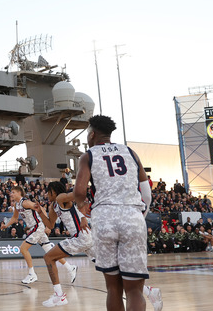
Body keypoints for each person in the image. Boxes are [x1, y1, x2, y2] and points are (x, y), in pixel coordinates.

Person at [73, 115, 156, 311]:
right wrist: (138, 217)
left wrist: (81, 205)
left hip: (104, 218)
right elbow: (147, 194)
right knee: (134, 290)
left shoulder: (88, 155)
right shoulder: (130, 152)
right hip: (131, 216)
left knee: (113, 288)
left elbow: (79, 192)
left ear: (92, 134)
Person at [32, 181, 93, 307]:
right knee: (108, 268)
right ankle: (141, 288)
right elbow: (50, 225)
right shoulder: (53, 206)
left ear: (53, 191)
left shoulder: (61, 198)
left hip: (80, 237)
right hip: (85, 237)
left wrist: (83, 217)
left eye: (48, 191)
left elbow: (78, 194)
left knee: (48, 257)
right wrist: (39, 212)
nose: (46, 194)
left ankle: (59, 296)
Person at [1, 185, 56, 284]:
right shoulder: (16, 205)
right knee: (50, 251)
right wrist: (6, 225)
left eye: (13, 192)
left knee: (23, 248)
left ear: (19, 193)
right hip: (34, 227)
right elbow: (14, 218)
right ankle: (70, 268)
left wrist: (48, 224)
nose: (11, 194)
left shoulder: (25, 202)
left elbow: (41, 209)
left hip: (38, 226)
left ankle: (32, 274)